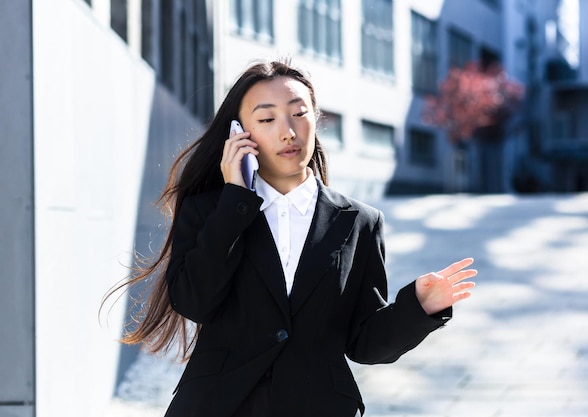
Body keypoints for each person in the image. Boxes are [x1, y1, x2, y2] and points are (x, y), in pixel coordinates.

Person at [108, 58, 476, 417]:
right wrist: (236, 201)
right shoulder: (210, 212)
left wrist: (418, 307)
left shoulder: (360, 222)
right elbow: (194, 302)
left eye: (299, 114)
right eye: (267, 119)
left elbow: (365, 344)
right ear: (240, 134)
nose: (288, 131)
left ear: (316, 120)